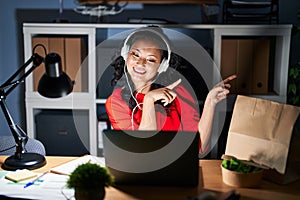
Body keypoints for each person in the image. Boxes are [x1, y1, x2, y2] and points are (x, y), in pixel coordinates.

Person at [105, 26, 236, 154]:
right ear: (125, 55)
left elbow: (199, 147)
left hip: (179, 168)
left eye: (151, 59)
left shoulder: (179, 92)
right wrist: (149, 100)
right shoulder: (116, 102)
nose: (141, 62)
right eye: (135, 54)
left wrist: (210, 103)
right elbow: (143, 149)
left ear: (162, 66)